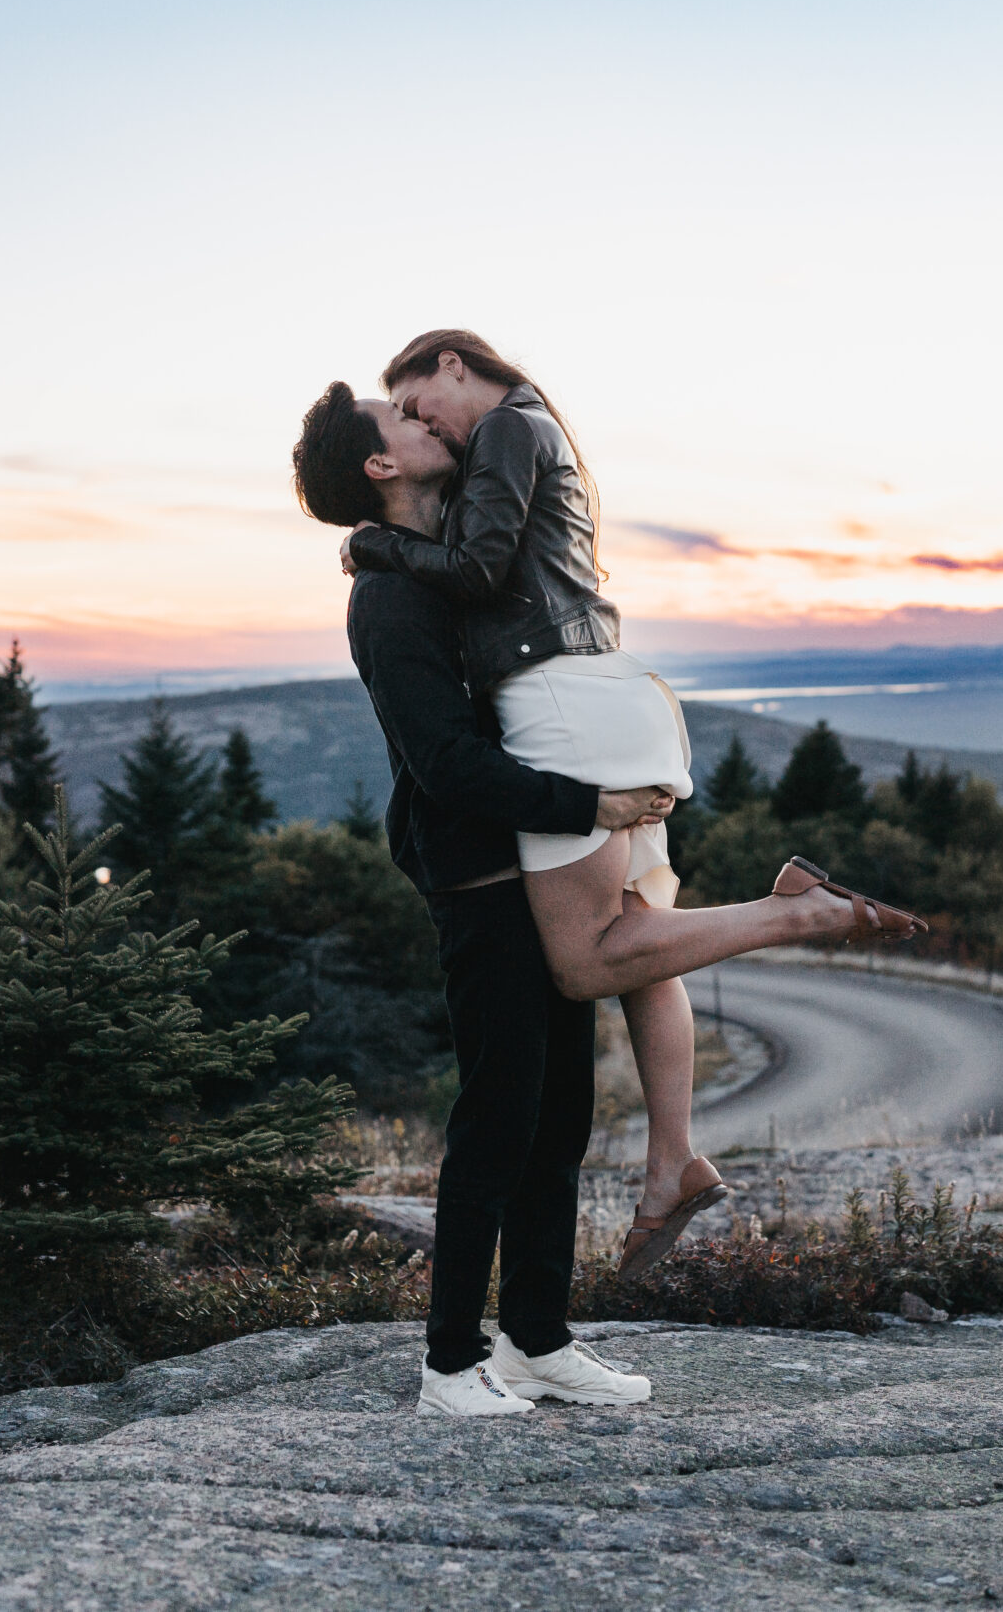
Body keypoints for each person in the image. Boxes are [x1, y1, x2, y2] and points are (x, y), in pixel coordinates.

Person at [342, 330, 917, 1273]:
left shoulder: (503, 430)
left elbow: (483, 570)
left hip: (566, 707)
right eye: (401, 419)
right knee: (648, 942)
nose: (418, 419)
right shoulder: (527, 434)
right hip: (604, 696)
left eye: (413, 399)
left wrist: (378, 545)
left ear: (451, 363)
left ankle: (796, 911)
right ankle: (671, 1160)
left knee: (581, 964)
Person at [294, 381, 656, 1418]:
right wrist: (595, 800)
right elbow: (447, 765)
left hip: (543, 865)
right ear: (380, 466)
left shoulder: (451, 565)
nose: (428, 422)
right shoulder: (391, 599)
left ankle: (539, 1340)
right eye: (404, 420)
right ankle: (450, 1365)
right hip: (480, 876)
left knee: (561, 1120)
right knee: (498, 1120)